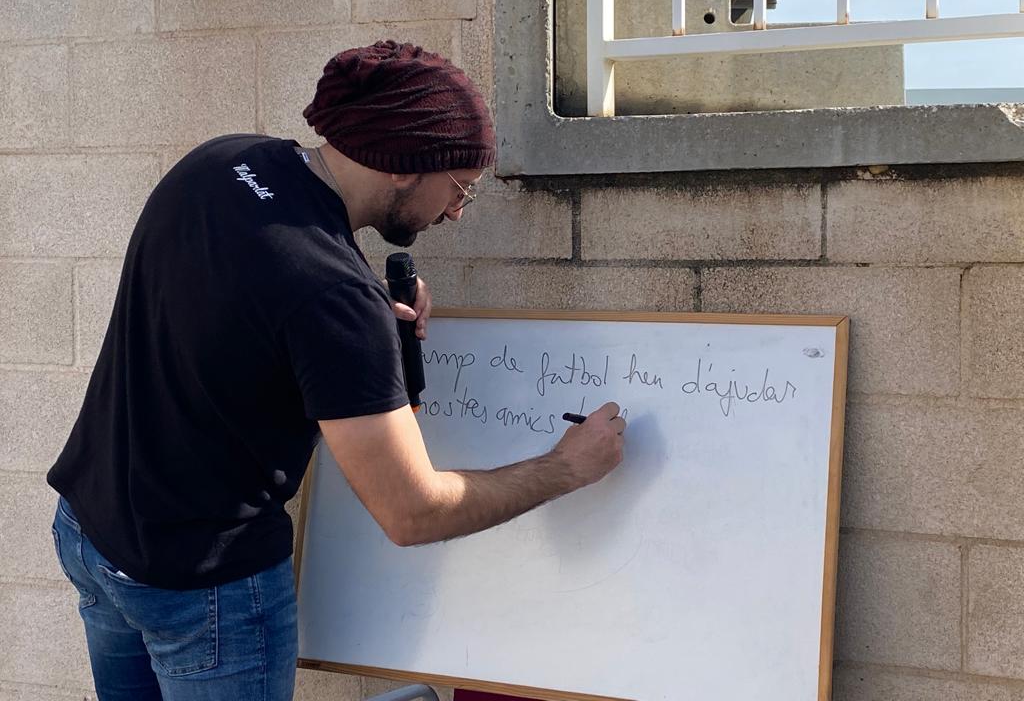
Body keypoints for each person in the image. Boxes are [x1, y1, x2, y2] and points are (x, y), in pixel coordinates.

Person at [46, 40, 627, 701]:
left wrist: (364, 306)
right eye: (459, 187)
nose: (457, 211)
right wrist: (566, 467)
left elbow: (256, 291)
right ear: (405, 166)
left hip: (90, 532)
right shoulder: (333, 299)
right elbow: (412, 513)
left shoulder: (223, 162)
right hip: (202, 587)